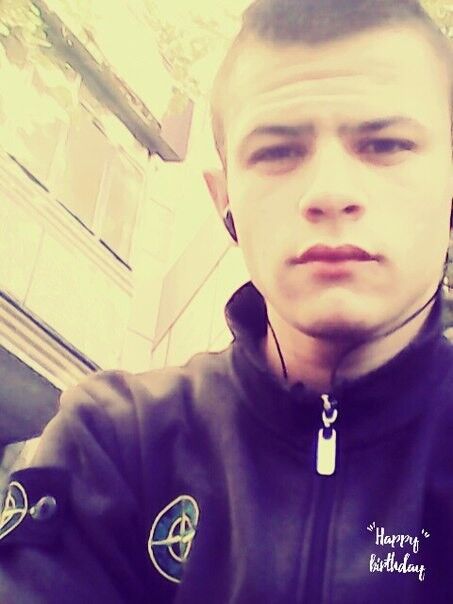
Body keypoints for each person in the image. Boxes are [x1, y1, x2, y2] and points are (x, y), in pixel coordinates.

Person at [0, 0, 452, 602]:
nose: (329, 192)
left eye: (387, 144)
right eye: (277, 152)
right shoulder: (116, 442)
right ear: (224, 201)